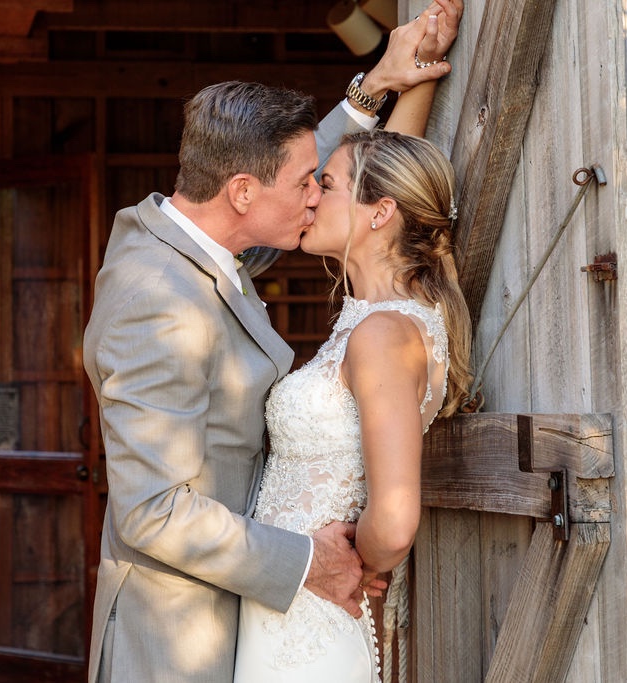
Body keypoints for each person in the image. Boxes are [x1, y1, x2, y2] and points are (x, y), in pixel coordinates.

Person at [81, 2, 462, 681]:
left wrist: (382, 84)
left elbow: (366, 194)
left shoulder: (208, 248)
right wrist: (313, 559)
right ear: (242, 192)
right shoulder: (154, 298)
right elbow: (149, 510)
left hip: (263, 616)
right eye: (304, 184)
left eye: (323, 182)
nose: (315, 196)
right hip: (175, 638)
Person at [232, 84, 473, 683]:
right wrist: (408, 78)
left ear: (381, 212)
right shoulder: (374, 319)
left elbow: (393, 521)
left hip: (311, 615)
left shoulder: (384, 335)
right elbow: (381, 162)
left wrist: (352, 562)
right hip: (284, 603)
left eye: (327, 184)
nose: (311, 196)